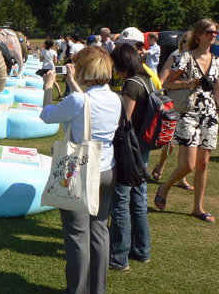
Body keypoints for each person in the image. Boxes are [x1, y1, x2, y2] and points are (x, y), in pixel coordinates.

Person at [40, 46, 120, 294]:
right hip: (107, 170)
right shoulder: (115, 98)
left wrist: (47, 86)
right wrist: (73, 83)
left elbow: (47, 115)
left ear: (86, 68)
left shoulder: (77, 100)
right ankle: (98, 289)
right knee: (99, 231)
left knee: (77, 235)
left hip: (80, 172)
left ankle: (77, 290)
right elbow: (85, 105)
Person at [155, 18, 219, 223]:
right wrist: (191, 83)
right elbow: (170, 82)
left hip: (210, 116)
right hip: (188, 113)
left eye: (215, 33)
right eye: (209, 32)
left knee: (203, 164)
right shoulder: (185, 57)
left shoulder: (217, 61)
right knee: (188, 164)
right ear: (198, 34)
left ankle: (198, 207)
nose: (213, 36)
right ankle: (165, 187)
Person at [108, 43, 153, 271]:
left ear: (123, 63)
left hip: (129, 148)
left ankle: (118, 257)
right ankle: (141, 250)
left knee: (120, 201)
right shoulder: (147, 79)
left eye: (116, 65)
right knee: (138, 199)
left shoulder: (131, 85)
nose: (115, 70)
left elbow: (123, 120)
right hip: (142, 147)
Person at [151, 32, 194, 190]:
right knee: (172, 141)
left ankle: (181, 178)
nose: (185, 45)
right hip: (175, 104)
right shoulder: (175, 56)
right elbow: (163, 79)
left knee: (187, 143)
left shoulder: (198, 59)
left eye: (189, 42)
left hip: (191, 106)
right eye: (183, 42)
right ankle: (160, 166)